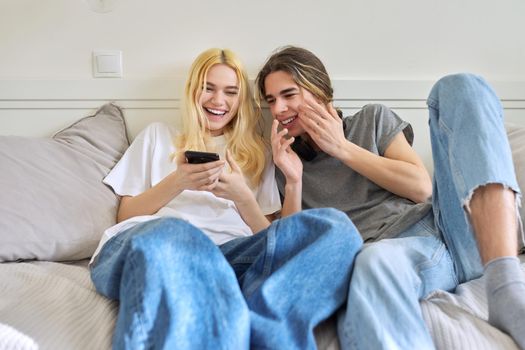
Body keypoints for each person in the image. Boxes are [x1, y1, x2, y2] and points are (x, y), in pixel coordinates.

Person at [89, 47, 363, 350]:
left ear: (240, 100)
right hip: (155, 248)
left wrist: (244, 198)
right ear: (193, 91)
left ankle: (258, 326)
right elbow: (125, 215)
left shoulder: (258, 153)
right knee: (175, 232)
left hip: (230, 257)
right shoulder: (158, 136)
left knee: (336, 229)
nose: (218, 101)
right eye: (208, 88)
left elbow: (278, 242)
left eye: (231, 92)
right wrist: (177, 181)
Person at [255, 45, 525, 350]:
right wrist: (293, 180)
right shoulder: (286, 162)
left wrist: (342, 148)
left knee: (459, 86)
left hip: (445, 231)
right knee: (374, 261)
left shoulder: (371, 119)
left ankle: (505, 283)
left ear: (318, 90)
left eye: (288, 95)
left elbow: (421, 187)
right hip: (392, 255)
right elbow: (294, 248)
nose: (278, 110)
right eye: (271, 101)